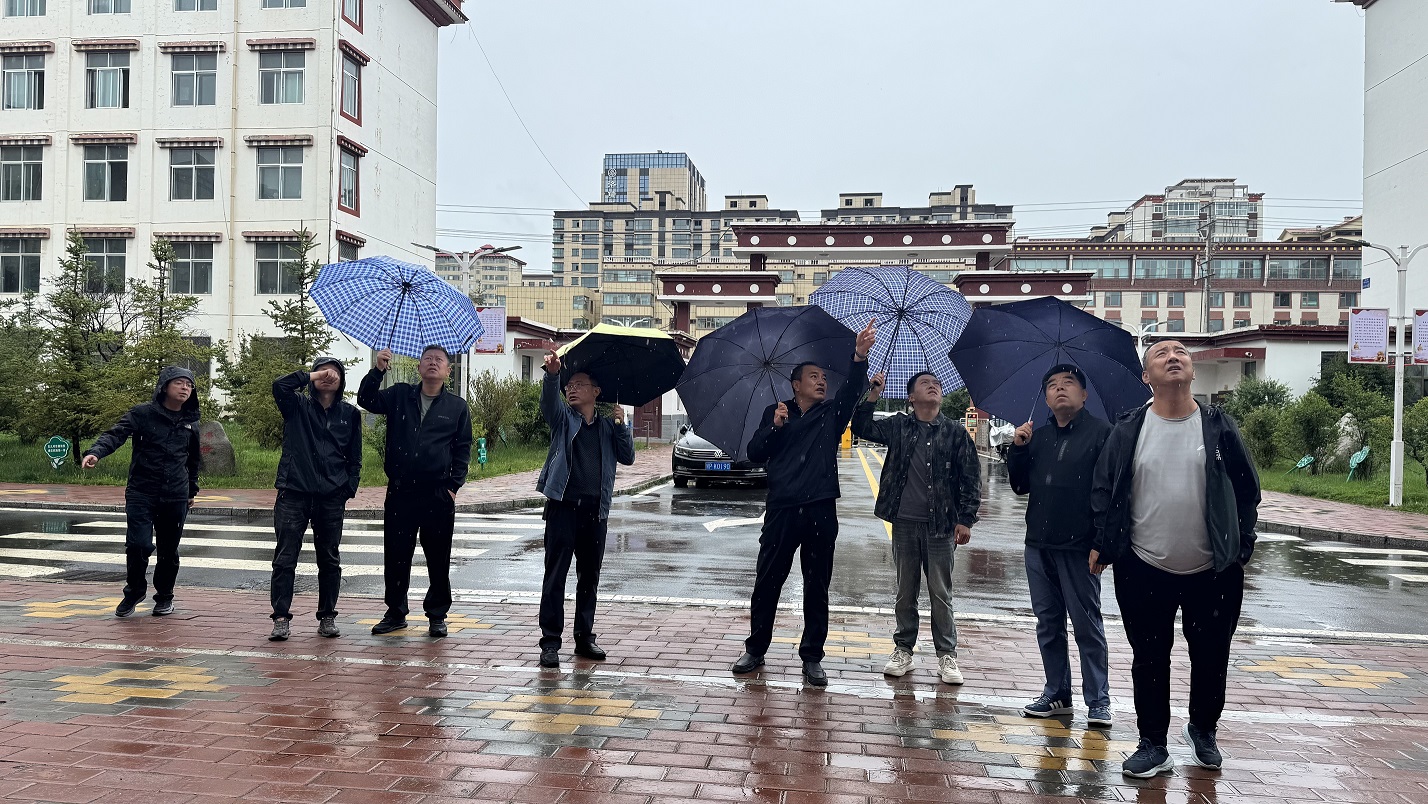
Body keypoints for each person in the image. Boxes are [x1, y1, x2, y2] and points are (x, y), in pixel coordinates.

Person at [1090, 340, 1261, 777]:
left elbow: (1247, 489)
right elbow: (1105, 489)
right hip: (1143, 566)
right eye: (1161, 353)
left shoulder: (1218, 426)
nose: (1173, 356)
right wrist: (1105, 545)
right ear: (1146, 376)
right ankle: (1153, 743)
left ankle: (1203, 729)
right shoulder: (1129, 429)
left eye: (1180, 352)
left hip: (1214, 570)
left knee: (1211, 656)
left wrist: (1241, 545)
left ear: (1192, 371)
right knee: (1149, 657)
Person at [731, 320, 875, 687]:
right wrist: (775, 426)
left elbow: (852, 391)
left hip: (820, 509)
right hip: (781, 509)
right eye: (814, 377)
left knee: (817, 586)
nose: (821, 381)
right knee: (768, 581)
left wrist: (859, 357)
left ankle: (812, 657)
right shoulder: (775, 411)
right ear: (796, 384)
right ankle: (755, 649)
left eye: (823, 378)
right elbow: (755, 452)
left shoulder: (831, 415)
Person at [852, 369, 981, 686]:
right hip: (905, 523)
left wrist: (966, 519)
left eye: (936, 384)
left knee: (941, 593)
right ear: (911, 397)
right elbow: (862, 427)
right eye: (925, 384)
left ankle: (946, 655)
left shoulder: (955, 432)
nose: (933, 386)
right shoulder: (899, 425)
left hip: (941, 526)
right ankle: (903, 650)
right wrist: (873, 393)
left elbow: (971, 478)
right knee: (905, 592)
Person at [1007, 364, 1113, 726]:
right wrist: (1018, 449)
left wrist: (1102, 542)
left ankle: (1098, 700)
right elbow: (1019, 486)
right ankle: (1057, 694)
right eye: (1052, 385)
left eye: (1068, 383)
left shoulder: (1102, 434)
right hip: (1038, 544)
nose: (1060, 388)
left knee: (1087, 625)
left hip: (1080, 547)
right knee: (1048, 623)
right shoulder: (1037, 436)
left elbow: (1110, 492)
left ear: (1084, 394)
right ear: (1046, 398)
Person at [358, 345, 473, 638]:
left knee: (438, 558)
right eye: (427, 359)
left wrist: (453, 487)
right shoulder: (400, 395)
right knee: (397, 555)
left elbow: (462, 449)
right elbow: (366, 400)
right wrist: (377, 370)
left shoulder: (457, 407)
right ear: (419, 367)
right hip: (401, 492)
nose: (433, 363)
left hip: (438, 493)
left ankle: (437, 615)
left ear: (448, 370)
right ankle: (395, 613)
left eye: (439, 360)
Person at [534, 351, 636, 668]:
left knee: (589, 577)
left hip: (595, 512)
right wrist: (553, 376)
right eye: (569, 386)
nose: (572, 389)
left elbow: (628, 457)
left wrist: (622, 424)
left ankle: (584, 637)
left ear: (596, 391)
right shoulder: (564, 420)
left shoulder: (607, 427)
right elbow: (549, 405)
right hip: (563, 509)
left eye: (579, 385)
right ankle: (550, 642)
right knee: (555, 577)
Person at [81, 366, 201, 618]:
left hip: (176, 495)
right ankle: (134, 591)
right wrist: (96, 452)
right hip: (142, 491)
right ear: (164, 386)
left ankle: (164, 597)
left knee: (168, 550)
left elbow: (192, 460)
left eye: (189, 385)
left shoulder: (191, 422)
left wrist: (192, 490)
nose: (185, 388)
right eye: (179, 383)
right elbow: (115, 434)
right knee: (138, 545)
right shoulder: (143, 413)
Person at [267, 357, 363, 641]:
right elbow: (279, 385)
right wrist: (311, 375)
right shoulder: (297, 406)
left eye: (334, 372)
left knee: (329, 559)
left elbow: (355, 457)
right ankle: (280, 617)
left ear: (342, 380)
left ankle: (328, 616)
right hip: (293, 492)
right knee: (285, 559)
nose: (328, 376)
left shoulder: (349, 414)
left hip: (331, 497)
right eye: (323, 371)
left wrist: (348, 488)